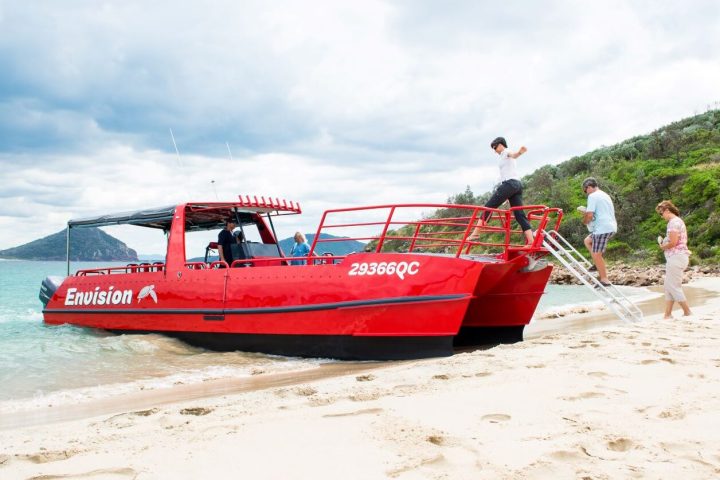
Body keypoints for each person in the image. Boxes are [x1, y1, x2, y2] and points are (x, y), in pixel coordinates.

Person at [470, 136, 533, 244]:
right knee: (519, 214)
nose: (494, 151)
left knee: (488, 207)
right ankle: (531, 241)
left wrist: (520, 152)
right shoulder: (504, 156)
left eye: (495, 148)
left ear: (500, 145)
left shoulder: (506, 152)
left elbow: (514, 155)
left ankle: (475, 234)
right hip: (516, 185)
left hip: (509, 184)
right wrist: (509, 194)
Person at [656, 200, 692, 319]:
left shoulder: (673, 222)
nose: (661, 216)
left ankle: (687, 311)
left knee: (673, 286)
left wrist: (662, 246)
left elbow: (673, 242)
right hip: (679, 257)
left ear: (667, 210)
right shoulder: (677, 221)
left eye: (661, 213)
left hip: (676, 257)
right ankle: (667, 314)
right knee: (669, 286)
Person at [581, 177, 617, 286]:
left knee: (597, 254)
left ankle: (604, 279)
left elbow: (590, 215)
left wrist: (585, 221)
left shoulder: (592, 196)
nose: (586, 193)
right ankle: (597, 264)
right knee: (587, 241)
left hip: (602, 228)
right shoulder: (605, 195)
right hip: (610, 226)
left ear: (589, 187)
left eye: (585, 190)